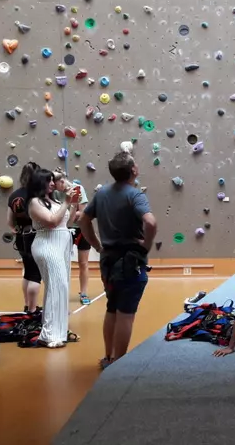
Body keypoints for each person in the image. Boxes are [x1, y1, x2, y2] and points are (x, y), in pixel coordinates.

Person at [78, 152, 157, 369]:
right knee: (126, 314)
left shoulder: (102, 193)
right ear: (133, 170)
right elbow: (150, 222)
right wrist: (146, 245)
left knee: (112, 307)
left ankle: (108, 357)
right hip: (130, 263)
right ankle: (118, 363)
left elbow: (84, 219)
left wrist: (96, 245)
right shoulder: (135, 195)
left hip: (108, 261)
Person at [27, 169, 81, 348]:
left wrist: (72, 204)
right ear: (39, 182)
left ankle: (57, 331)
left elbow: (68, 222)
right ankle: (48, 334)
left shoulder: (55, 200)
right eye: (49, 181)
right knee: (56, 286)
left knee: (60, 287)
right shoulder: (34, 202)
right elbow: (52, 222)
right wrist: (66, 201)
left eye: (53, 181)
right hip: (47, 245)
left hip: (61, 245)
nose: (52, 184)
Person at [7, 161, 42, 314]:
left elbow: (10, 222)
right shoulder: (36, 195)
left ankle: (27, 305)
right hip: (35, 236)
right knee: (36, 274)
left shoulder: (14, 195)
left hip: (21, 237)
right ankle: (33, 310)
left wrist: (16, 229)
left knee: (28, 271)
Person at [52, 171, 91, 305]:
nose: (56, 189)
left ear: (62, 181)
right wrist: (69, 214)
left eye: (57, 185)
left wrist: (72, 209)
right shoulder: (56, 192)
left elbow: (82, 212)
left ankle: (84, 293)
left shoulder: (78, 190)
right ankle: (61, 293)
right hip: (64, 229)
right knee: (61, 263)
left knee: (83, 263)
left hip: (82, 229)